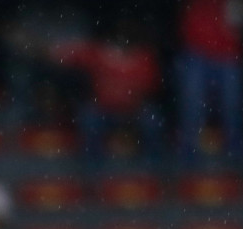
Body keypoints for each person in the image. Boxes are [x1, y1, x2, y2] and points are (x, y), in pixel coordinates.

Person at [51, 20, 164, 162]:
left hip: (135, 111)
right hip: (103, 110)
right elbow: (64, 54)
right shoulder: (99, 53)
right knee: (88, 120)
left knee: (154, 122)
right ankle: (92, 170)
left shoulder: (145, 57)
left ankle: (152, 168)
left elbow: (152, 88)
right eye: (121, 36)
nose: (124, 40)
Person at [175, 0, 243, 163]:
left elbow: (239, 22)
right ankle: (188, 160)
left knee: (232, 109)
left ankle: (235, 161)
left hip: (228, 54)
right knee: (193, 109)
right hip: (197, 51)